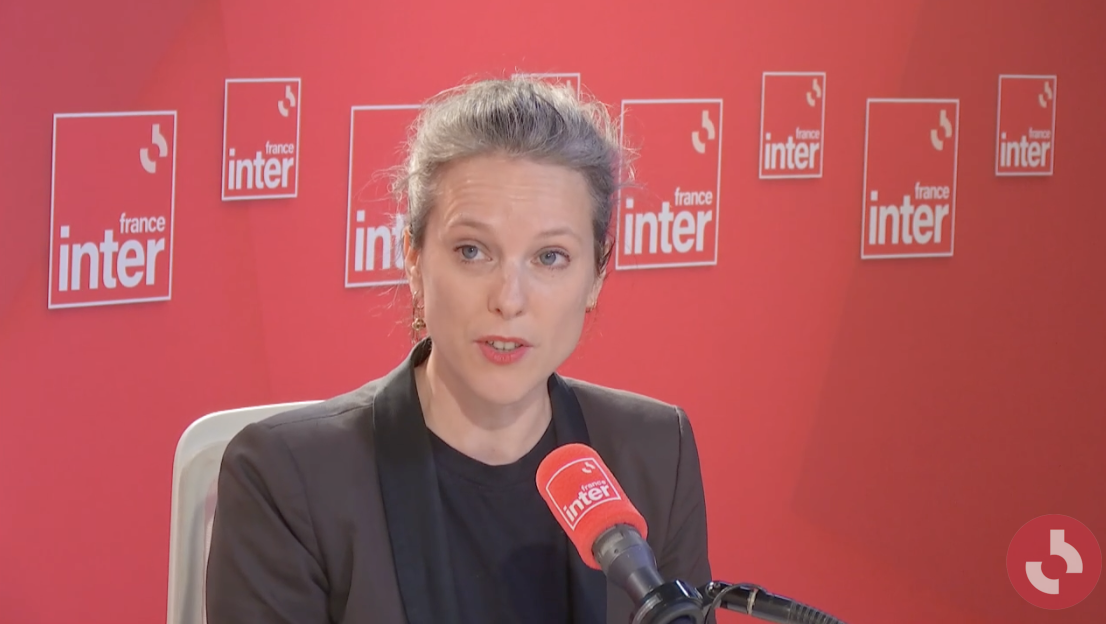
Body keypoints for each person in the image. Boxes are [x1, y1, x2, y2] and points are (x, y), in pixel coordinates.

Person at [205, 76, 713, 624]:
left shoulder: (656, 454)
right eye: (473, 251)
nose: (509, 300)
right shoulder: (287, 480)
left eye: (550, 257)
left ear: (596, 276)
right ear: (414, 259)